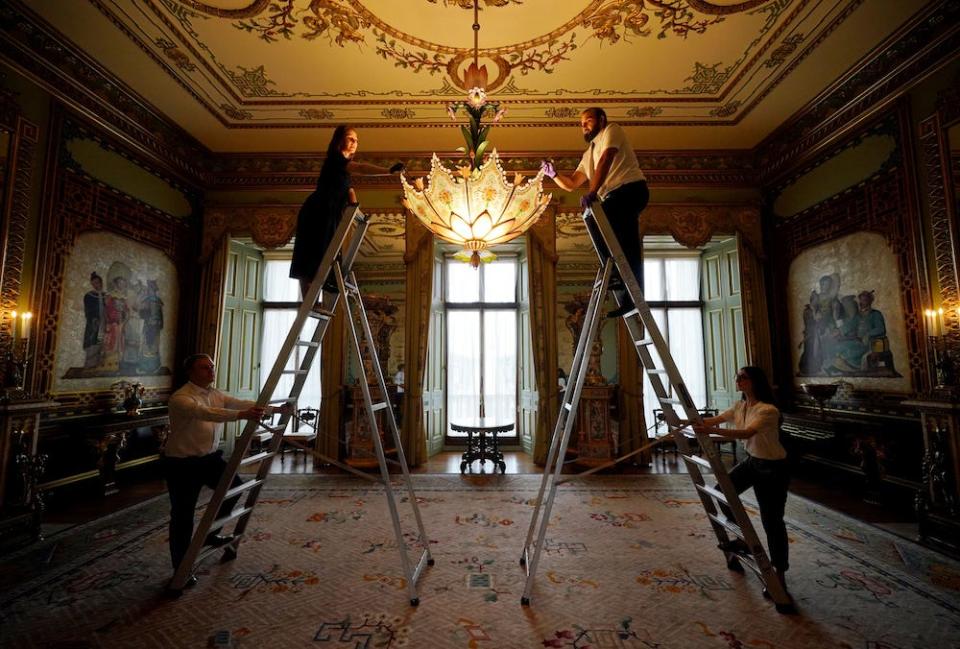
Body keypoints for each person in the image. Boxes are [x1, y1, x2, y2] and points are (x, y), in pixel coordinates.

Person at [161, 353, 287, 589]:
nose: (211, 371)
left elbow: (239, 403)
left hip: (209, 459)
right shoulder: (181, 398)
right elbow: (206, 413)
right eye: (204, 368)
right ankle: (181, 568)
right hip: (181, 464)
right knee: (182, 515)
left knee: (236, 488)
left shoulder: (215, 393)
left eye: (212, 367)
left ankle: (211, 533)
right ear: (191, 372)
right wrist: (242, 416)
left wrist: (274, 409)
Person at [541, 107, 649, 318]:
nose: (584, 126)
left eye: (588, 121)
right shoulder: (588, 153)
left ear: (601, 119)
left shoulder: (612, 130)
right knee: (625, 244)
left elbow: (606, 159)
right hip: (614, 197)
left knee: (601, 217)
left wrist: (592, 193)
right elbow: (572, 183)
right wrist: (553, 175)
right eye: (581, 124)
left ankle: (616, 273)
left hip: (631, 190)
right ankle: (628, 295)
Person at [692, 366, 790, 595]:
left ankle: (780, 575)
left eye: (743, 378)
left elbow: (747, 433)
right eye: (737, 377)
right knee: (721, 491)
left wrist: (712, 432)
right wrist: (685, 421)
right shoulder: (741, 406)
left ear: (755, 381)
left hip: (773, 468)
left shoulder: (769, 410)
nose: (738, 380)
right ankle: (744, 539)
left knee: (772, 521)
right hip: (753, 462)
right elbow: (713, 420)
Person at [289, 125, 404, 303]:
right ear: (339, 141)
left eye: (357, 141)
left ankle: (312, 302)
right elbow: (361, 168)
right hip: (317, 211)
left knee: (324, 256)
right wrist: (387, 171)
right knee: (311, 254)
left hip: (330, 214)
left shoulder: (343, 171)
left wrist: (357, 211)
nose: (355, 143)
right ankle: (309, 302)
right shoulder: (335, 160)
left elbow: (349, 191)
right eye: (351, 138)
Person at [82, 272, 106, 369]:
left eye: (98, 282)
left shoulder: (105, 295)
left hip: (104, 322)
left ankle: (100, 363)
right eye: (94, 283)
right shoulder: (89, 296)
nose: (97, 285)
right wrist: (94, 319)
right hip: (94, 323)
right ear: (92, 284)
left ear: (101, 282)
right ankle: (91, 364)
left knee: (103, 341)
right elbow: (88, 310)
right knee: (93, 340)